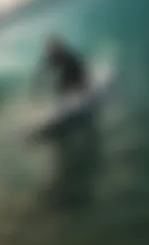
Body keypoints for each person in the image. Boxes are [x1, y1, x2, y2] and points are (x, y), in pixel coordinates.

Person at [32, 36, 100, 210]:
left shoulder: (69, 56)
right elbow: (40, 72)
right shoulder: (50, 58)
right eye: (50, 50)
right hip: (67, 79)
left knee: (69, 84)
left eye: (53, 49)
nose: (51, 52)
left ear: (59, 48)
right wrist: (35, 88)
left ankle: (79, 108)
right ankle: (64, 111)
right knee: (59, 87)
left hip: (77, 77)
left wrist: (87, 90)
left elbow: (82, 70)